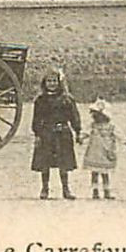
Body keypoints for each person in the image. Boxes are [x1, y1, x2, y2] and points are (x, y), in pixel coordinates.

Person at [30, 67, 81, 199]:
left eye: (54, 81)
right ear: (44, 83)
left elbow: (74, 116)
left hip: (62, 133)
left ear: (59, 83)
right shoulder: (40, 100)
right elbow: (36, 119)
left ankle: (66, 189)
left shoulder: (67, 99)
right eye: (49, 81)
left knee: (63, 163)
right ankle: (45, 188)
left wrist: (78, 131)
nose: (52, 84)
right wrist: (37, 134)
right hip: (46, 133)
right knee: (45, 163)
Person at [79, 97, 121, 200]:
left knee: (105, 172)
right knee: (94, 172)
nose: (95, 116)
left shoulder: (111, 126)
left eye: (97, 114)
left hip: (106, 151)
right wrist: (81, 137)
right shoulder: (93, 125)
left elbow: (120, 134)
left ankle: (107, 191)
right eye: (94, 114)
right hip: (95, 151)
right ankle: (95, 191)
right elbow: (86, 132)